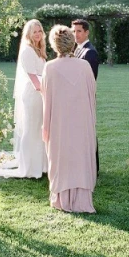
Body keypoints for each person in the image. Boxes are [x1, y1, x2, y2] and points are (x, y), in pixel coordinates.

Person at [42, 25, 97, 213]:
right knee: (80, 157)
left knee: (62, 157)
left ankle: (62, 199)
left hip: (59, 122)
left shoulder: (49, 67)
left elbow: (46, 99)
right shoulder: (84, 66)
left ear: (54, 45)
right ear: (72, 43)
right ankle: (82, 200)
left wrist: (46, 127)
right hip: (81, 121)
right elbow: (92, 94)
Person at [0, 19, 48, 179]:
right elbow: (34, 79)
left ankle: (41, 164)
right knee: (31, 129)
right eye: (35, 32)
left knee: (39, 129)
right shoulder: (27, 51)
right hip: (33, 94)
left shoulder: (39, 49)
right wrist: (47, 91)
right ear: (29, 34)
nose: (38, 34)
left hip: (40, 93)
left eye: (40, 31)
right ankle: (29, 167)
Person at [71, 18, 100, 173]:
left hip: (85, 97)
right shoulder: (77, 49)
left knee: (88, 132)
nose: (76, 34)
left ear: (87, 32)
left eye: (79, 31)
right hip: (78, 98)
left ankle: (93, 167)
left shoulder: (90, 53)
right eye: (73, 31)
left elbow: (90, 80)